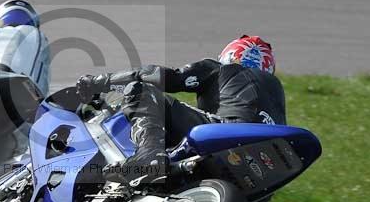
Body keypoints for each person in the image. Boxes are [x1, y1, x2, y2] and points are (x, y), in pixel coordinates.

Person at [75, 35, 285, 184]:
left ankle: (149, 155)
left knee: (141, 91)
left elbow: (161, 76)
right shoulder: (277, 95)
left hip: (224, 133)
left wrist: (100, 82)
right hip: (263, 164)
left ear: (231, 55)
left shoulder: (221, 69)